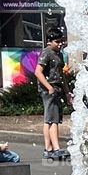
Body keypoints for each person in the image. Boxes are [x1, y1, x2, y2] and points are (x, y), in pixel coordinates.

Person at [33, 26, 70, 160]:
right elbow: (38, 72)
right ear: (49, 41)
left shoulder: (59, 54)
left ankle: (48, 149)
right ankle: (55, 148)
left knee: (51, 119)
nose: (60, 44)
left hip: (57, 89)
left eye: (61, 41)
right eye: (57, 42)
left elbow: (61, 74)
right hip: (49, 89)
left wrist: (67, 92)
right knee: (52, 119)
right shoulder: (47, 53)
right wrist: (49, 87)